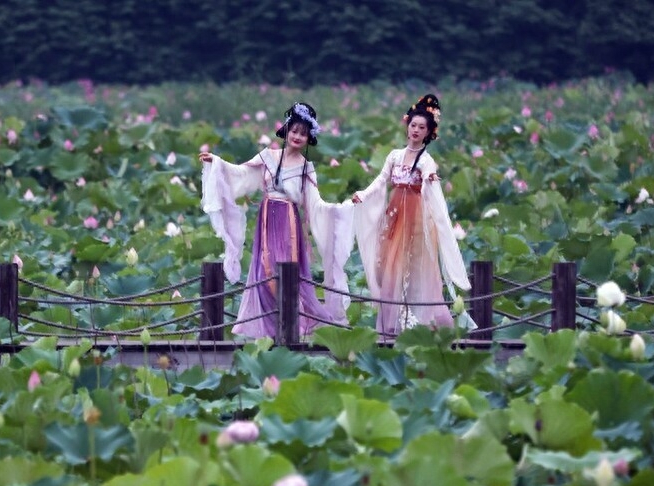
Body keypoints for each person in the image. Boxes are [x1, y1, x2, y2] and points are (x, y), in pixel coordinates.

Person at [199, 102, 353, 338]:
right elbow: (241, 173)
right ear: (286, 131)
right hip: (267, 218)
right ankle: (268, 329)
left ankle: (291, 326)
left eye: (303, 133)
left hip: (288, 222)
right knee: (263, 272)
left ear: (308, 137)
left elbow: (315, 203)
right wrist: (217, 163)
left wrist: (342, 210)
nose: (297, 137)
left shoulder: (306, 167)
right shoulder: (268, 156)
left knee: (286, 271)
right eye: (294, 131)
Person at [351, 94, 470, 336]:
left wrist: (429, 178)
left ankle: (421, 321)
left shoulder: (427, 160)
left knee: (415, 267)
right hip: (395, 215)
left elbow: (428, 175)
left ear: (428, 133)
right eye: (413, 125)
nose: (416, 130)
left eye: (422, 127)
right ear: (408, 126)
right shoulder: (394, 155)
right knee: (390, 268)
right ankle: (395, 320)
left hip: (415, 219)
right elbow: (381, 180)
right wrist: (363, 194)